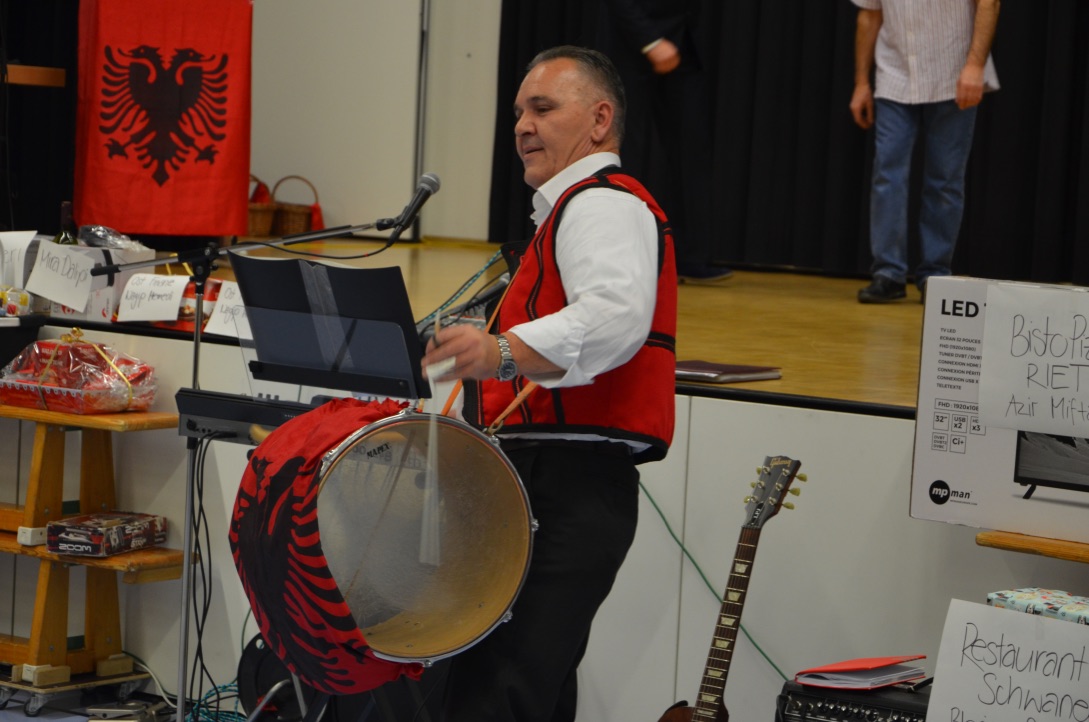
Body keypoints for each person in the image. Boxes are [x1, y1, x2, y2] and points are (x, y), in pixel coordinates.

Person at [420, 45, 677, 721]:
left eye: (542, 108)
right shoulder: (567, 213)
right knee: (519, 689)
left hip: (568, 483)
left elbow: (614, 318)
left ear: (599, 120)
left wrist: (502, 350)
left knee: (500, 693)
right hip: (542, 479)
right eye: (517, 113)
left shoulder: (602, 204)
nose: (522, 126)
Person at [850, 0, 1000, 304]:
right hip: (895, 72)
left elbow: (989, 3)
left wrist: (975, 65)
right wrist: (861, 82)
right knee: (887, 173)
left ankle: (935, 274)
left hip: (953, 71)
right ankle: (888, 273)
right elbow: (869, 14)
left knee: (944, 179)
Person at [596, 0, 731, 284]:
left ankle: (687, 257)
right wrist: (650, 40)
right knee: (626, 149)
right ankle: (620, 255)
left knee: (691, 152)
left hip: (684, 41)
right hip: (631, 45)